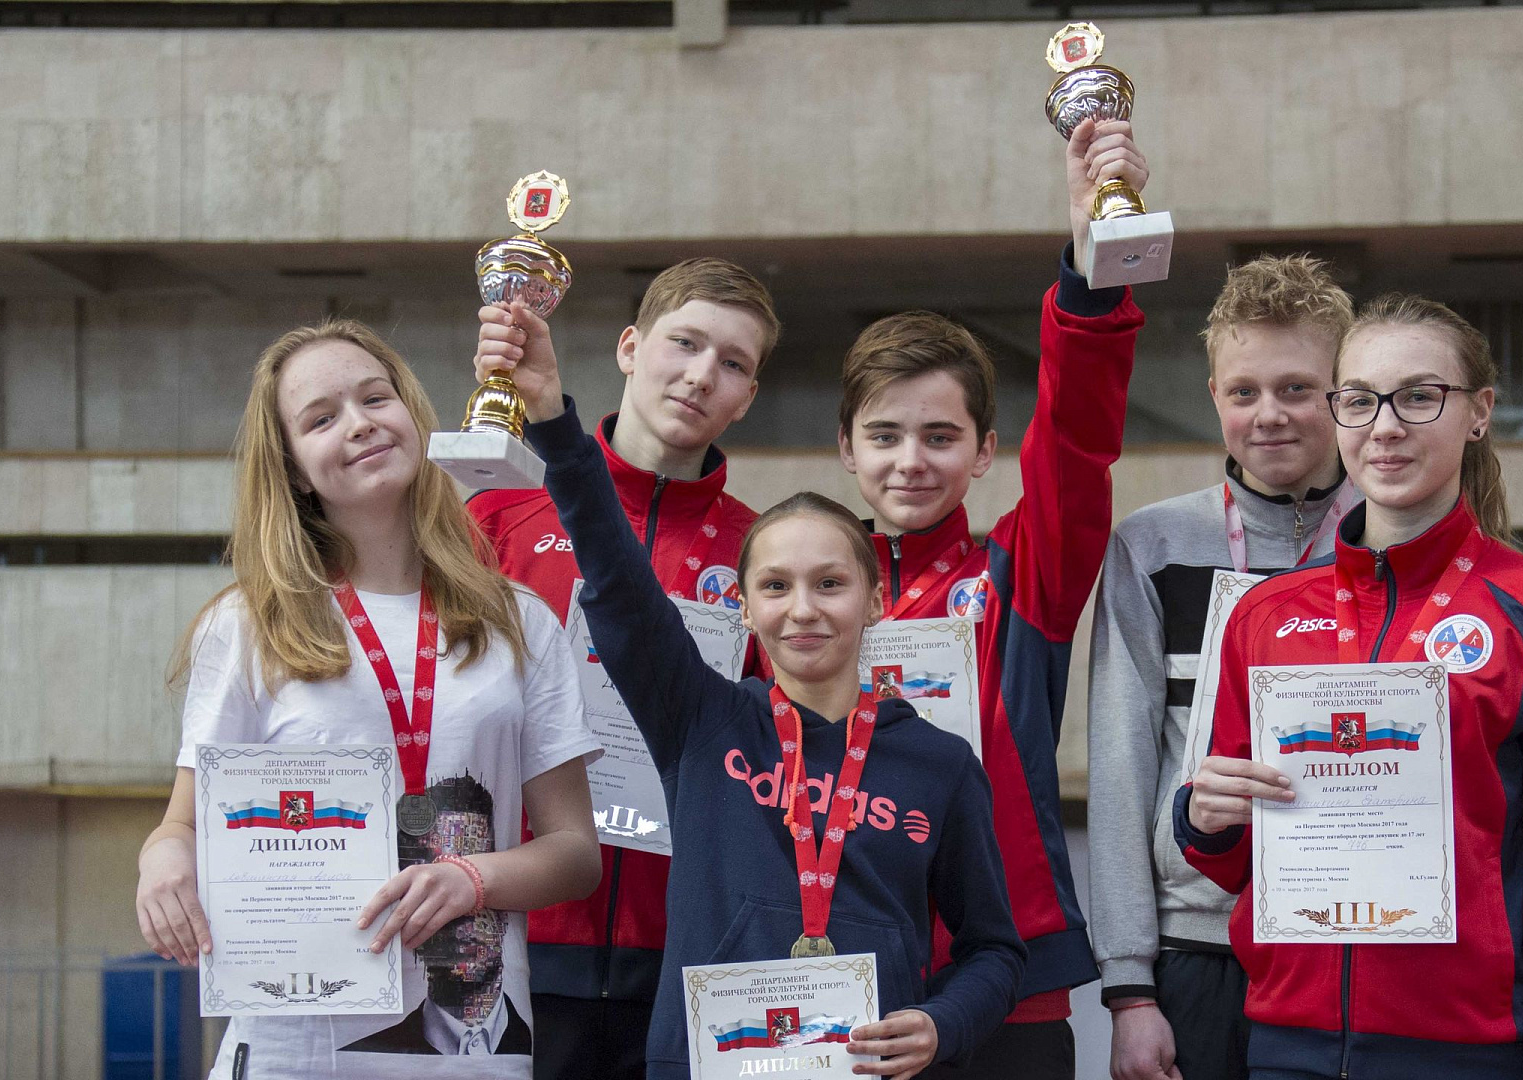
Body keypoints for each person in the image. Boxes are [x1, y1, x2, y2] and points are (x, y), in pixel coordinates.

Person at [475, 301, 1028, 1080]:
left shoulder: (939, 764)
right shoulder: (701, 722)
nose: (803, 608)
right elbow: (619, 577)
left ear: (872, 600)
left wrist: (946, 1022)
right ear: (742, 605)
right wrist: (554, 427)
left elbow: (995, 951)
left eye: (831, 583)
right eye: (776, 584)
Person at [134, 320, 603, 1079]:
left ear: (412, 415)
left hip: (475, 1052)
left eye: (375, 398)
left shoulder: (519, 620)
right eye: (321, 418)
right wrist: (161, 867)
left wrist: (471, 878)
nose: (359, 424)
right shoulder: (251, 624)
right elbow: (179, 827)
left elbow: (576, 854)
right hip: (296, 1044)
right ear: (292, 468)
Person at [1177, 294, 1523, 1080]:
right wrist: (1205, 819)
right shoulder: (1264, 613)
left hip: (1469, 1049)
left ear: (1479, 412)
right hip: (1289, 1045)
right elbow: (1242, 857)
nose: (1385, 426)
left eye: (1420, 397)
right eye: (1359, 400)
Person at [833, 117, 1146, 1079]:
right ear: (846, 451)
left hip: (1006, 975)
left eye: (939, 435)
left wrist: (1094, 260)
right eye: (884, 436)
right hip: (844, 967)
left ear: (984, 453)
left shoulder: (1019, 577)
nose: (911, 460)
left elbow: (1079, 441)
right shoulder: (802, 593)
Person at [469, 257, 778, 1080]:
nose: (702, 374)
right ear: (631, 347)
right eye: (685, 343)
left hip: (679, 959)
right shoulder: (501, 512)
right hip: (513, 945)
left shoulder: (762, 554)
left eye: (734, 364)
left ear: (747, 397)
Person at [1087, 255, 1359, 1080]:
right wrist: (1130, 988)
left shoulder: (1389, 544)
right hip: (1195, 947)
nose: (1268, 415)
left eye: (1297, 388)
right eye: (1244, 392)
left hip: (1356, 938)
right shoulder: (1153, 547)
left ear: (1345, 394)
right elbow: (1122, 762)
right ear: (1214, 398)